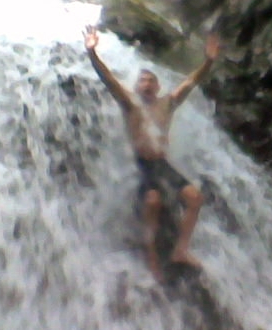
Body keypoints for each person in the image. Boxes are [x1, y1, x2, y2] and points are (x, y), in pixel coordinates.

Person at [83, 25, 220, 282]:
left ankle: (181, 250)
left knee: (195, 198)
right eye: (142, 81)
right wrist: (92, 53)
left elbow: (191, 82)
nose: (146, 84)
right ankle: (152, 257)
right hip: (142, 165)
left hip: (162, 164)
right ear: (136, 87)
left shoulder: (167, 103)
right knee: (153, 202)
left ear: (157, 87)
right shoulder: (130, 104)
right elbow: (109, 79)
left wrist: (208, 62)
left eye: (151, 81)